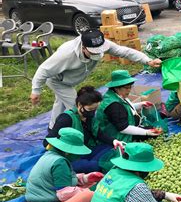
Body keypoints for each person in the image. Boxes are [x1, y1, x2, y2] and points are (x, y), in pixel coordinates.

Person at [30, 30, 161, 129]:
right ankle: (84, 133)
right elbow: (43, 70)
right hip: (57, 80)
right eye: (94, 51)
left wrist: (147, 60)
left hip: (71, 79)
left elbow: (124, 51)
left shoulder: (102, 44)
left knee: (60, 102)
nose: (98, 53)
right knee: (79, 108)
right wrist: (36, 91)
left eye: (100, 50)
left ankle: (53, 128)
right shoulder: (66, 54)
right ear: (83, 47)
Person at [25, 128, 103, 202]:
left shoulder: (51, 156)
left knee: (89, 187)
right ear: (67, 151)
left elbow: (62, 180)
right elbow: (64, 194)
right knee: (89, 196)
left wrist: (86, 178)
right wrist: (90, 191)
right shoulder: (60, 163)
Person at [44, 86, 124, 173]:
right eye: (90, 109)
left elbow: (99, 134)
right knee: (94, 166)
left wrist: (114, 141)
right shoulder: (66, 119)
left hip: (85, 150)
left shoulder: (90, 118)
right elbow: (47, 141)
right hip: (69, 157)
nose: (93, 112)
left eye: (95, 110)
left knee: (112, 148)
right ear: (79, 105)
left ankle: (94, 163)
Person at [95, 70, 162, 142]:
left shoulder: (114, 95)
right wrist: (146, 132)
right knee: (153, 132)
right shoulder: (114, 106)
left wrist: (140, 104)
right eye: (127, 88)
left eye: (130, 87)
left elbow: (125, 108)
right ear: (117, 88)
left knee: (152, 129)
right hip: (117, 136)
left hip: (123, 126)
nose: (129, 90)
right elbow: (123, 128)